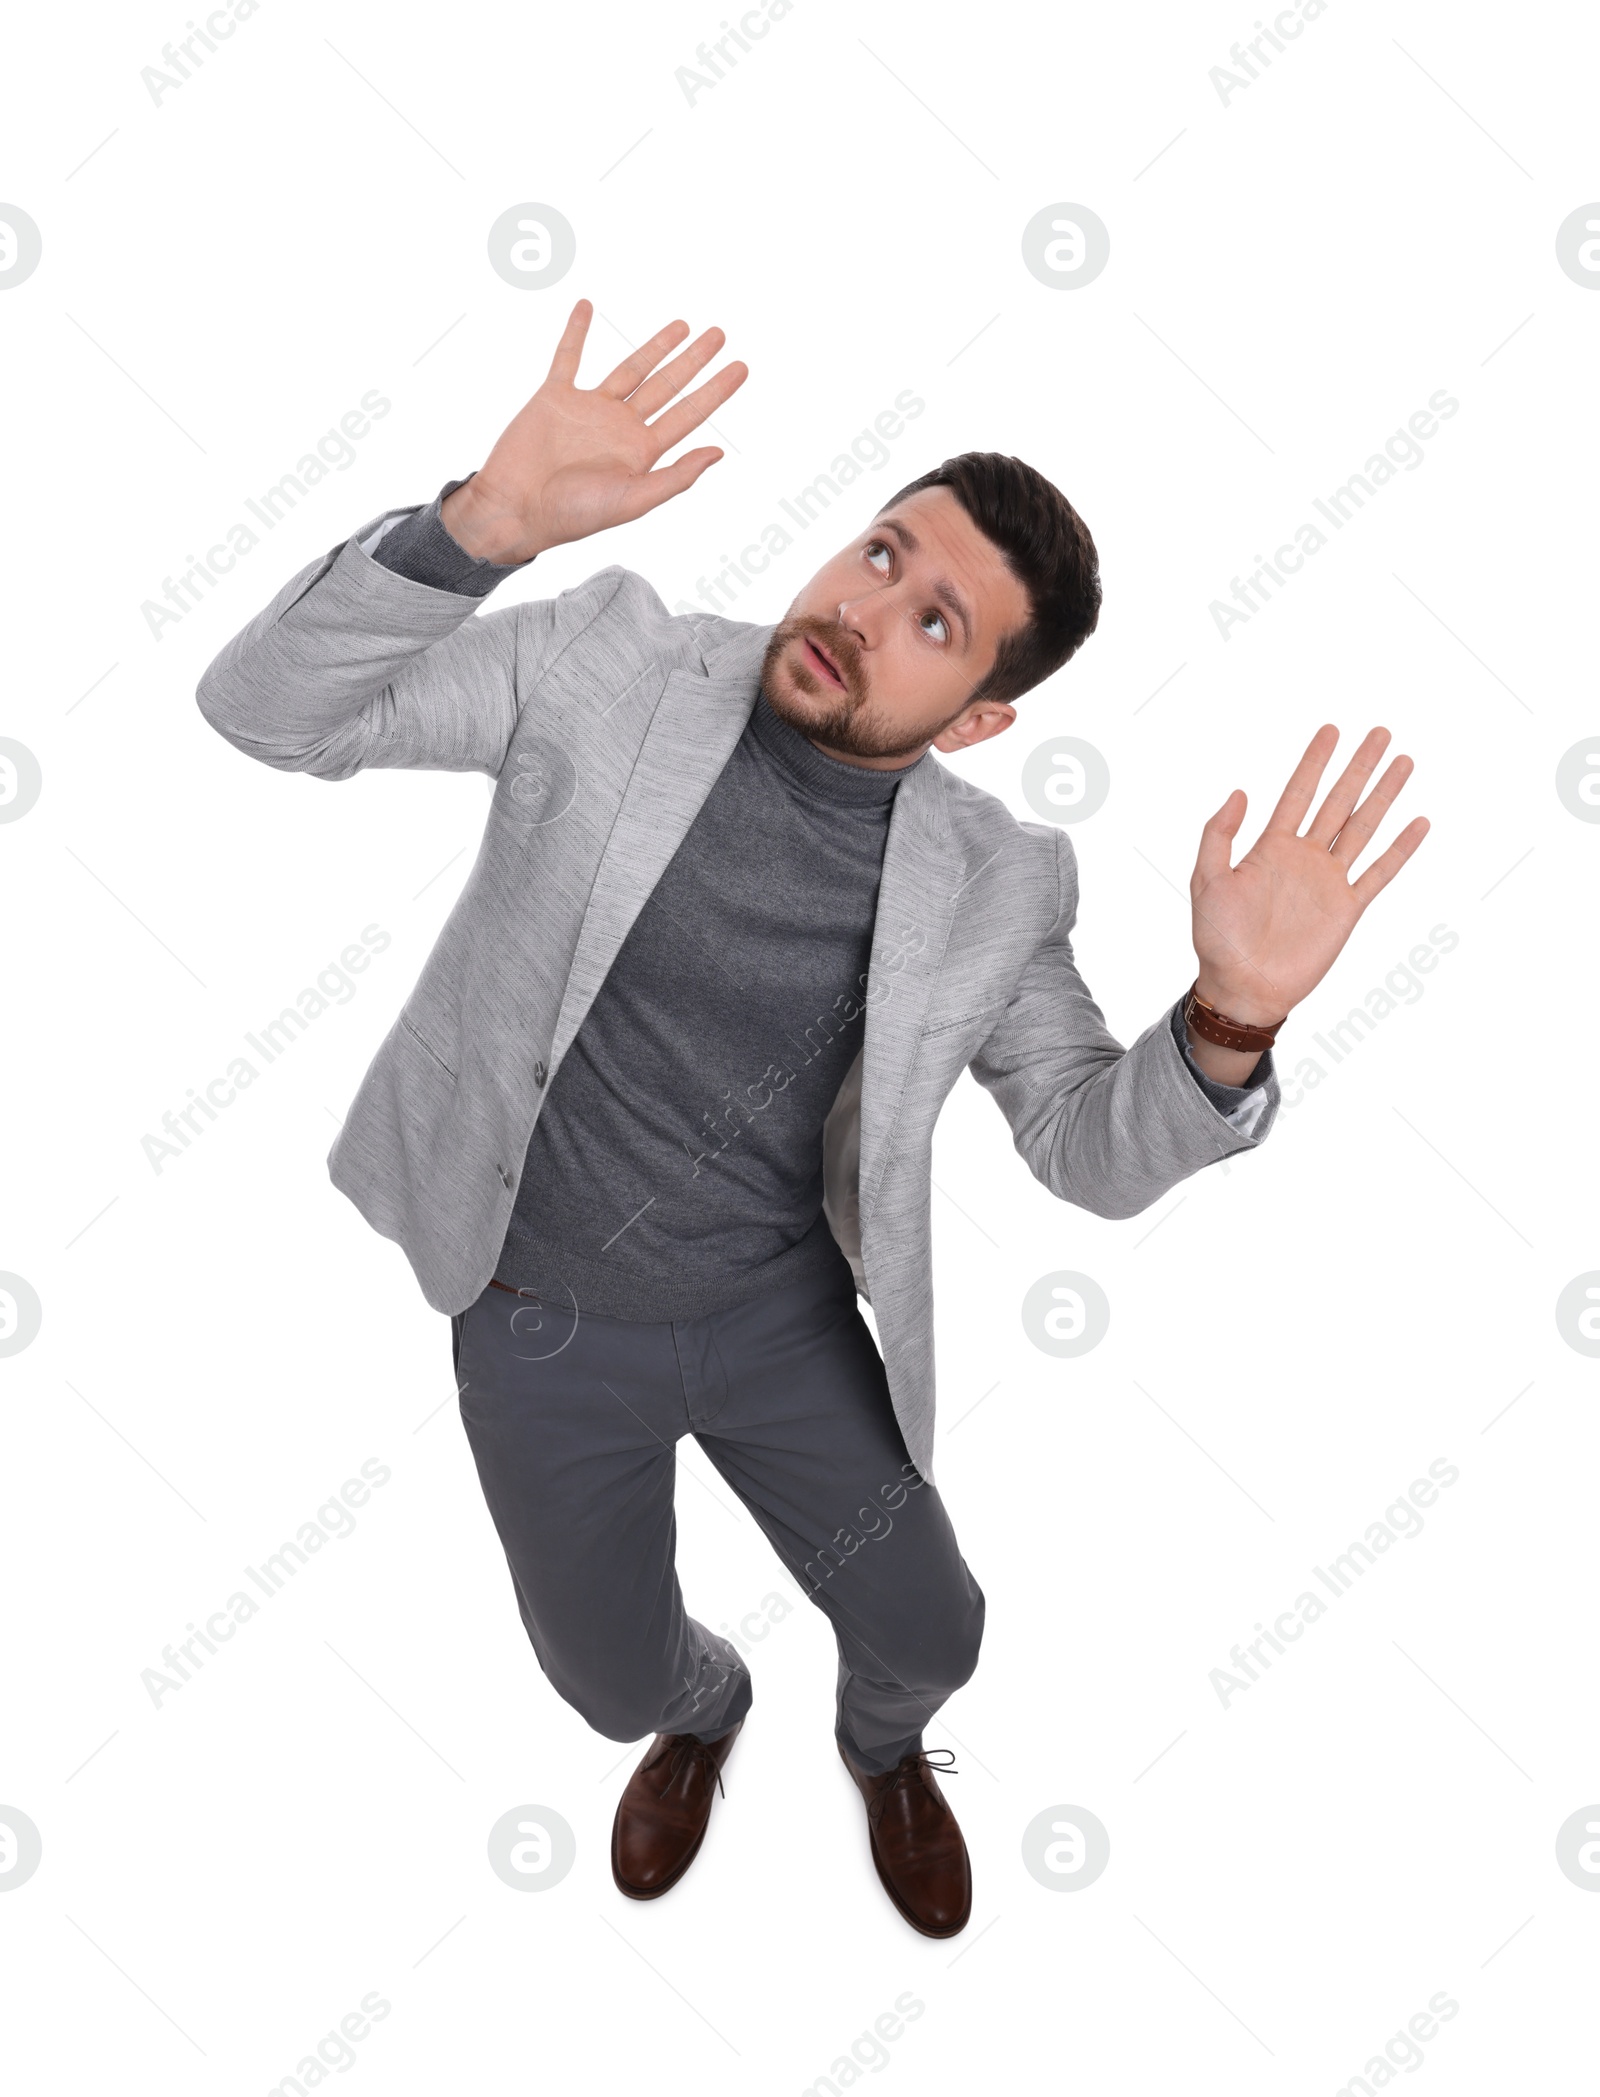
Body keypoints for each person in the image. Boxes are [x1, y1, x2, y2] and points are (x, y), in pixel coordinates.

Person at [195, 300, 1427, 1937]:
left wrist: (1231, 1018)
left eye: (936, 624)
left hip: (778, 1324)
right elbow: (272, 713)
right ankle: (709, 1714)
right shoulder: (606, 658)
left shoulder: (996, 878)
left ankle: (882, 1747)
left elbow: (1079, 1144)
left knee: (937, 1628)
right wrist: (478, 526)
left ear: (982, 718)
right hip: (538, 1318)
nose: (866, 610)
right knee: (606, 1681)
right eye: (880, 551)